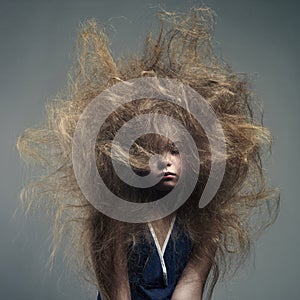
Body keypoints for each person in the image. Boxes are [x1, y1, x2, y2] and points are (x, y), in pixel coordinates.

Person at [17, 7, 279, 300]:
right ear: (129, 156)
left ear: (198, 155)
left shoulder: (206, 220)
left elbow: (190, 289)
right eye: (150, 150)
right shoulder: (113, 217)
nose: (165, 160)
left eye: (175, 149)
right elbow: (117, 293)